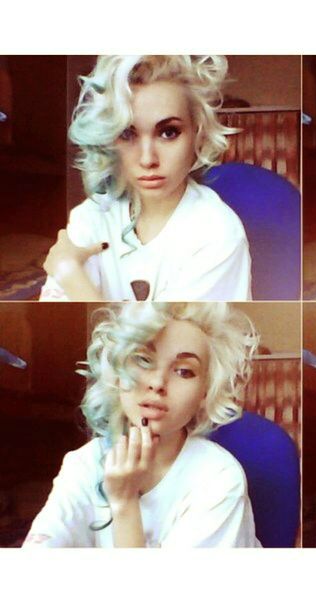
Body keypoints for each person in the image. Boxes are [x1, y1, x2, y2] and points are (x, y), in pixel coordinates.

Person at [23, 302, 260, 547]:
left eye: (184, 372)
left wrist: (124, 501)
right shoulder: (83, 464)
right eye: (143, 360)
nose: (157, 383)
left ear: (205, 393)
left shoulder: (220, 478)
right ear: (117, 373)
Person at [40, 55, 251, 302]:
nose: (147, 159)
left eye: (168, 132)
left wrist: (69, 273)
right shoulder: (92, 215)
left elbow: (172, 330)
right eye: (127, 134)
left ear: (198, 135)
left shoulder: (218, 233)